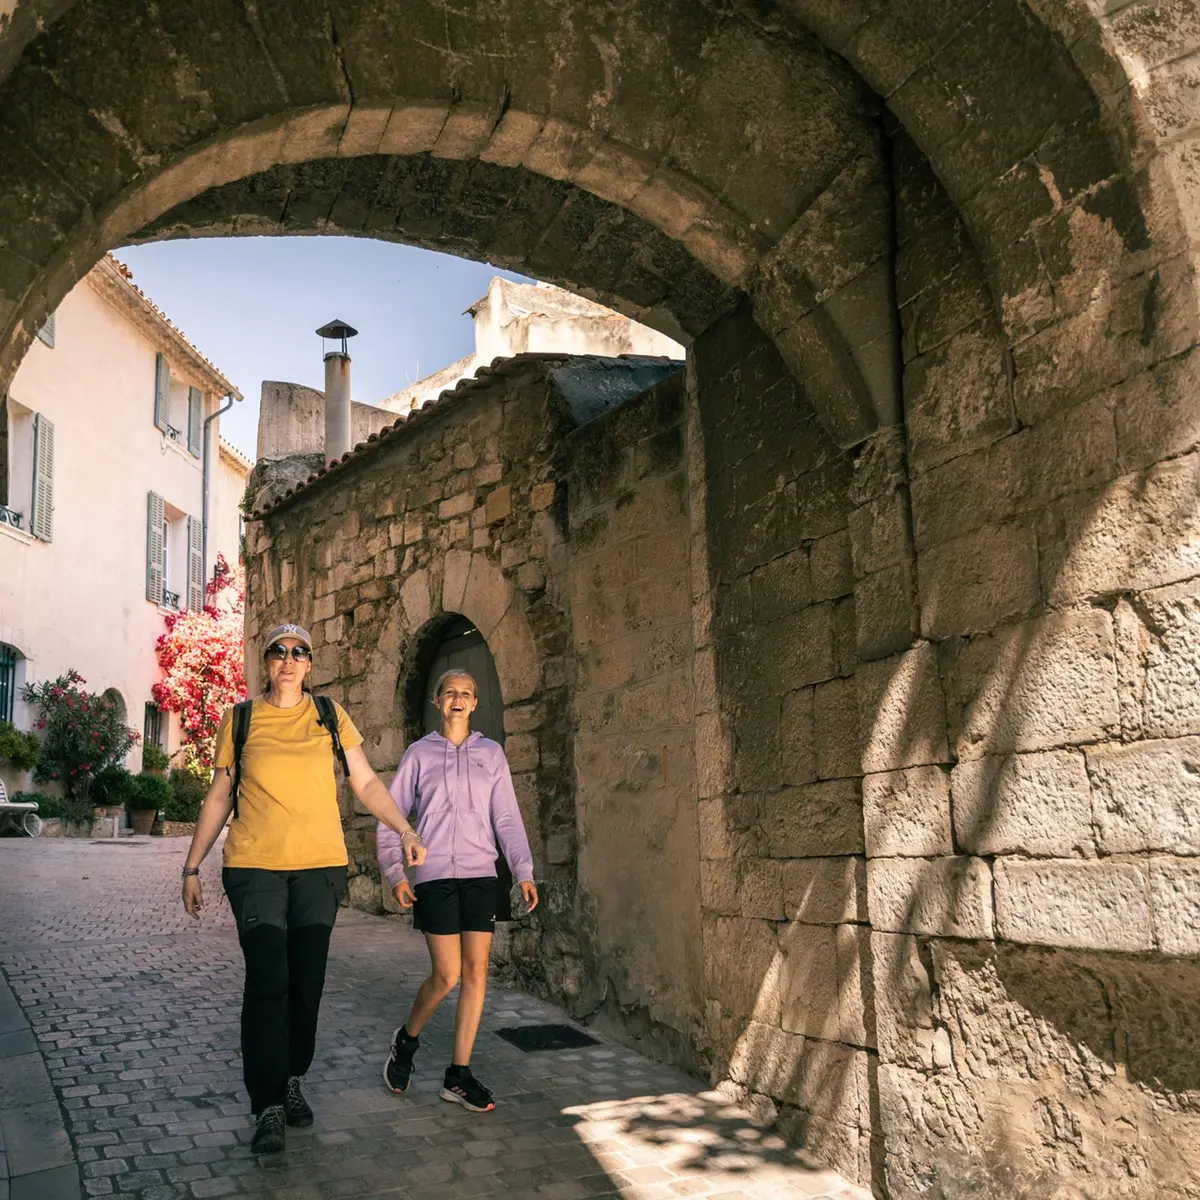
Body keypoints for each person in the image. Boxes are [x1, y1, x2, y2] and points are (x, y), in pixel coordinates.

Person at [179, 622, 426, 1154]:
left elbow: (364, 782)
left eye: (299, 652)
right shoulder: (240, 720)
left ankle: (292, 1079)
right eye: (278, 652)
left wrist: (404, 828)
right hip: (255, 868)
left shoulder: (329, 716)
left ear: (310, 664)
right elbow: (220, 796)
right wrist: (192, 865)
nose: (288, 661)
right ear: (264, 661)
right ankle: (266, 1103)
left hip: (319, 869)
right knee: (268, 981)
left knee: (306, 984)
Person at [377, 668, 538, 1112]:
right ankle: (406, 1040)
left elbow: (506, 818)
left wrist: (522, 869)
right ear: (437, 700)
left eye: (467, 693)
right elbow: (390, 815)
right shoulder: (418, 754)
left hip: (481, 874)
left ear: (475, 703)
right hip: (434, 877)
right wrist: (395, 873)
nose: (459, 699)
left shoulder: (491, 754)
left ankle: (458, 1075)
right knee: (446, 975)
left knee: (477, 971)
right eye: (451, 692)